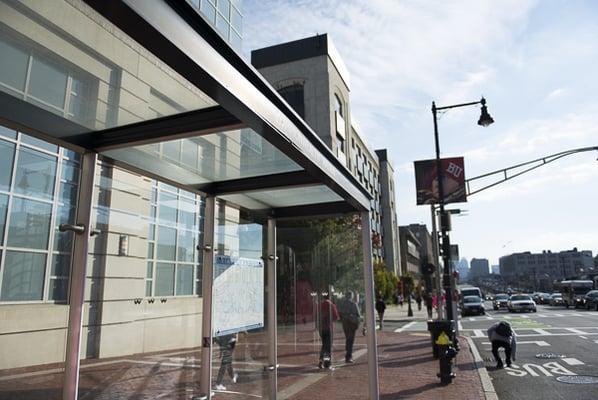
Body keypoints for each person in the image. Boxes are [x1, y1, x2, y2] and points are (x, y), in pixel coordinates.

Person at [338, 290, 360, 363]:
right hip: (352, 324)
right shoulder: (353, 304)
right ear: (351, 296)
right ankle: (348, 356)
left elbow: (340, 313)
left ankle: (348, 351)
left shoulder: (342, 304)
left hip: (345, 324)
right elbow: (358, 314)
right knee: (351, 340)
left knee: (348, 338)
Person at [318, 293, 339, 369]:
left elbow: (317, 316)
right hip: (329, 328)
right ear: (329, 296)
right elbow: (336, 317)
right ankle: (327, 363)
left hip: (321, 328)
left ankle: (321, 360)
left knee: (324, 345)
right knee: (328, 346)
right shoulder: (331, 305)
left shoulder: (320, 305)